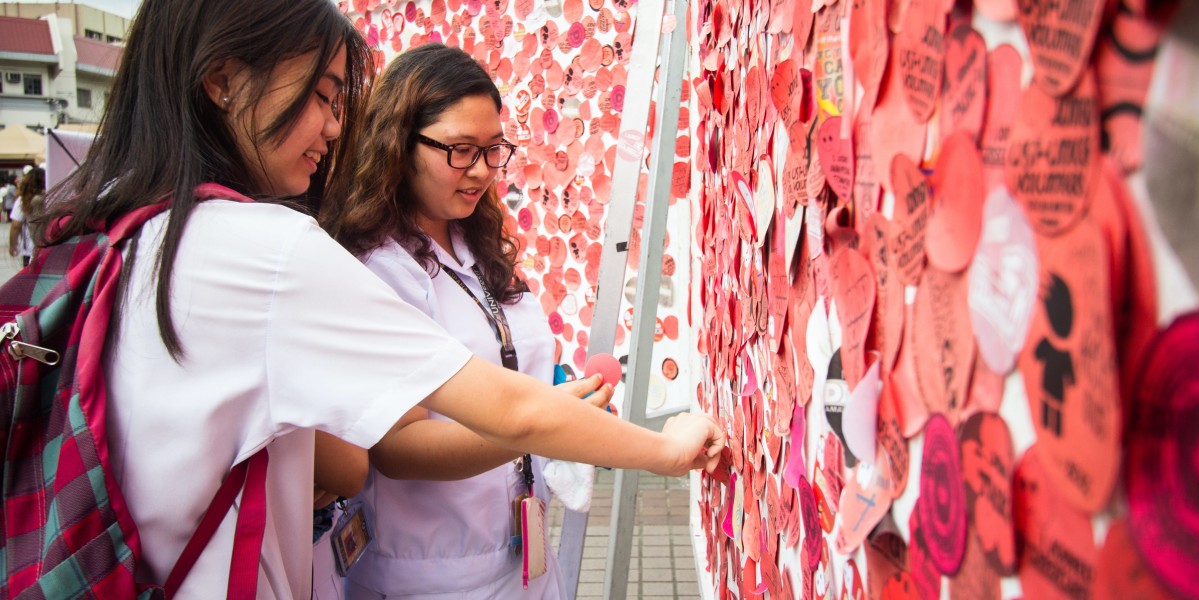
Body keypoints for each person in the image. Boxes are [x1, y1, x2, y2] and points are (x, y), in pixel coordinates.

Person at [33, 1, 724, 598]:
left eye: (494, 150)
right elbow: (468, 421)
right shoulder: (271, 252)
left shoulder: (125, 232)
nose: (334, 128)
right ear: (221, 79)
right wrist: (666, 451)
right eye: (323, 95)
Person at [322, 44, 602, 599]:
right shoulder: (380, 270)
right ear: (398, 146)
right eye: (460, 151)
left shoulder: (473, 242)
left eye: (493, 150)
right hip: (435, 576)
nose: (479, 171)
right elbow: (397, 450)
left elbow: (511, 361)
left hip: (522, 557)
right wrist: (545, 421)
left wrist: (561, 398)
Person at [9, 167, 44, 266]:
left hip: (30, 249)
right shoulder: (50, 196)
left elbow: (15, 225)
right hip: (49, 247)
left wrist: (13, 245)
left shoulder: (23, 200)